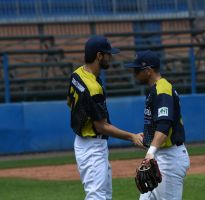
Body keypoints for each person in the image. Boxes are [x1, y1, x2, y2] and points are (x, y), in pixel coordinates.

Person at [67, 35, 144, 200]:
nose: (111, 57)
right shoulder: (93, 87)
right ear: (99, 56)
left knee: (104, 195)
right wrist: (132, 136)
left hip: (85, 142)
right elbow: (101, 126)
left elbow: (70, 103)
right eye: (108, 54)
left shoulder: (77, 74)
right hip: (92, 146)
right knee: (97, 196)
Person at [125, 50, 190, 200]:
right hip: (161, 156)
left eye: (137, 70)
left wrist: (150, 153)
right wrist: (147, 137)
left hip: (169, 159)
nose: (134, 73)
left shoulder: (162, 89)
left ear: (148, 71)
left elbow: (164, 126)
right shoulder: (155, 90)